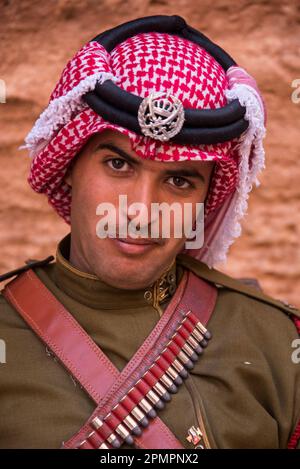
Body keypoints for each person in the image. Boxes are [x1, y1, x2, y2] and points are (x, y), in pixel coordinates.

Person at [0, 15, 299, 450]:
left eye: (179, 180)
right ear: (69, 169)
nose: (141, 211)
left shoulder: (276, 342)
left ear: (204, 201)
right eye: (118, 164)